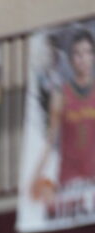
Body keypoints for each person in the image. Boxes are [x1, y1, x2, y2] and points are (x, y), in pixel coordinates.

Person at [31, 28, 95, 203]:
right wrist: (36, 176)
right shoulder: (60, 95)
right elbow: (51, 138)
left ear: (93, 56)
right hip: (69, 180)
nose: (83, 59)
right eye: (78, 54)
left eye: (87, 52)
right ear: (71, 59)